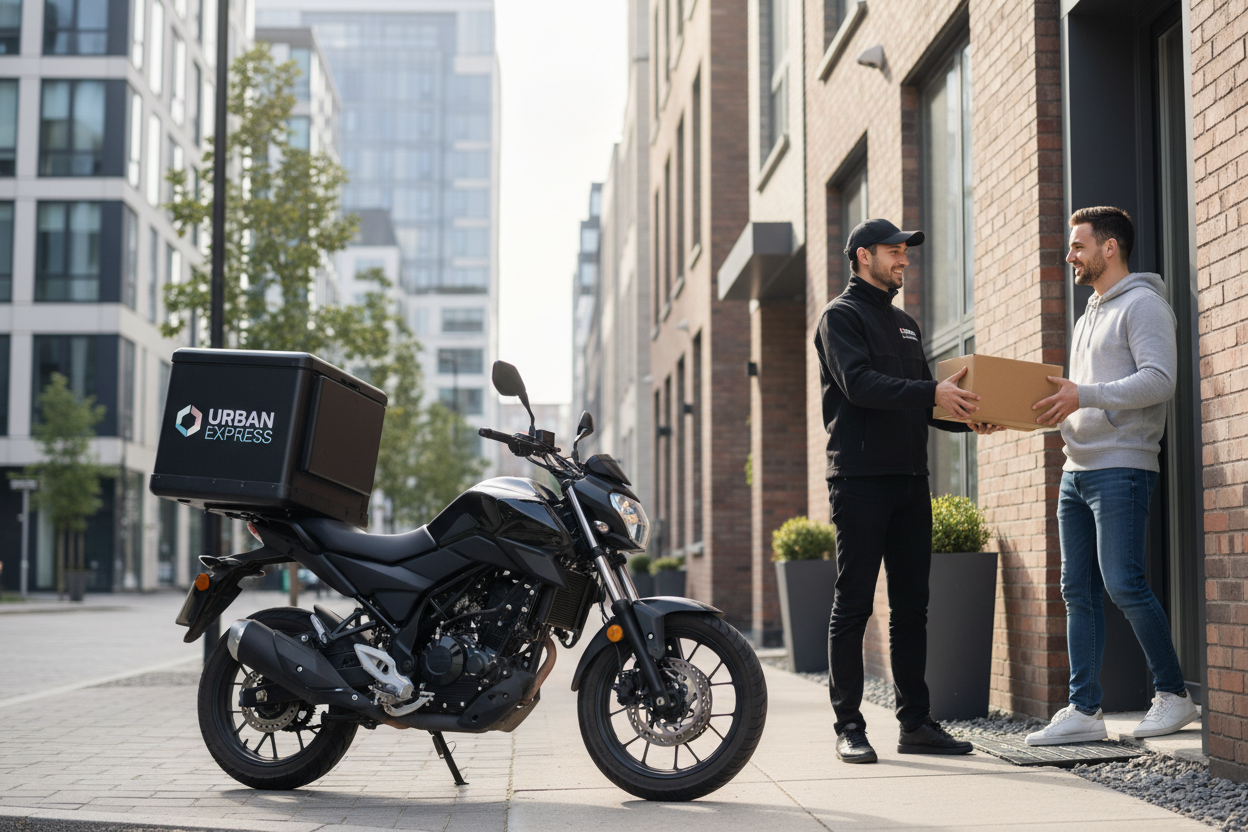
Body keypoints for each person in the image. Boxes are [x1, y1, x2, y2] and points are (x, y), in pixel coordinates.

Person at [814, 218, 1002, 764]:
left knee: (912, 608)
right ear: (862, 255)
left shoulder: (905, 325)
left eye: (905, 252)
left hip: (911, 482)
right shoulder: (839, 317)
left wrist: (965, 418)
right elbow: (861, 386)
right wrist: (933, 393)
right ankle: (849, 726)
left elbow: (923, 402)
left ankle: (915, 724)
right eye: (893, 251)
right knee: (853, 605)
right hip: (859, 481)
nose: (903, 260)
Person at [1025, 206, 1198, 746]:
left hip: (1122, 464)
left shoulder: (1144, 305)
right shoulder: (1087, 316)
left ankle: (1174, 694)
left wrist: (1086, 395)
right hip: (1075, 469)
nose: (1069, 255)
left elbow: (1160, 380)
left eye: (1078, 246)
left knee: (1123, 582)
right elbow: (1078, 396)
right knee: (1076, 590)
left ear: (1109, 247)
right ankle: (1084, 710)